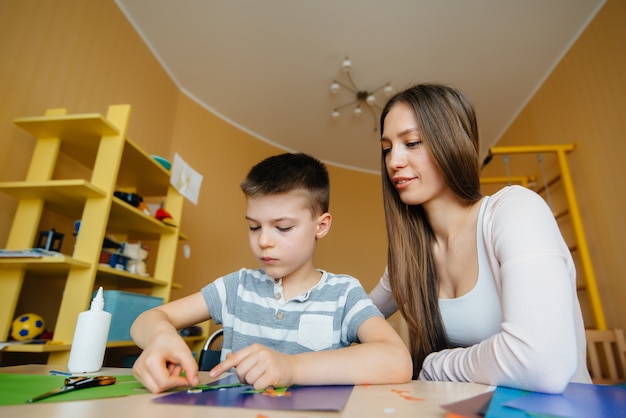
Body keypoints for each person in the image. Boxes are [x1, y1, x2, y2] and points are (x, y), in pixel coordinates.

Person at [369, 83, 591, 394]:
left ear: (452, 143)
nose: (394, 161)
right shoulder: (409, 259)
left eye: (413, 142)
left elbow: (543, 363)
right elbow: (356, 317)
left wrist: (434, 365)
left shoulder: (514, 211)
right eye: (387, 149)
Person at [131, 152, 412, 393]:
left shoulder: (343, 293)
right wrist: (160, 336)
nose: (264, 240)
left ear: (321, 226)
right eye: (254, 227)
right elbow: (148, 319)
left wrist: (292, 367)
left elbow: (397, 360)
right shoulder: (236, 287)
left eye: (283, 227)